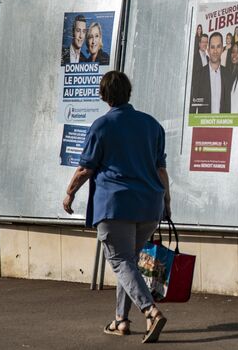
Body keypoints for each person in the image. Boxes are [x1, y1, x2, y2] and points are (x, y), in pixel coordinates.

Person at [62, 71, 170, 343]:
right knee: (128, 263)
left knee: (121, 261)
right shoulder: (152, 125)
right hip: (149, 206)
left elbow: (86, 167)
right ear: (128, 92)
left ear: (103, 95)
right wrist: (167, 202)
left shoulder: (102, 126)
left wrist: (69, 194)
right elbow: (161, 170)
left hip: (116, 206)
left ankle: (151, 312)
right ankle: (121, 320)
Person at [189, 32, 231, 113]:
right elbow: (192, 108)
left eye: (218, 47)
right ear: (208, 50)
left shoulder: (228, 74)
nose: (215, 51)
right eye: (212, 47)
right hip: (204, 124)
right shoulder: (199, 75)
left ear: (222, 49)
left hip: (223, 124)